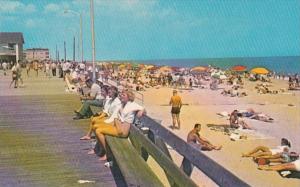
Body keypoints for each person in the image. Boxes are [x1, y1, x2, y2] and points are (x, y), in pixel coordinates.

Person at [95, 89, 145, 161]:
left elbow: (142, 108)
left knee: (99, 131)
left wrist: (142, 111)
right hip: (119, 127)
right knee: (98, 127)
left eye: (123, 95)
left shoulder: (132, 105)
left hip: (122, 131)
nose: (121, 96)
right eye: (121, 94)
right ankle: (103, 150)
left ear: (129, 97)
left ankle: (108, 153)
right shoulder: (123, 104)